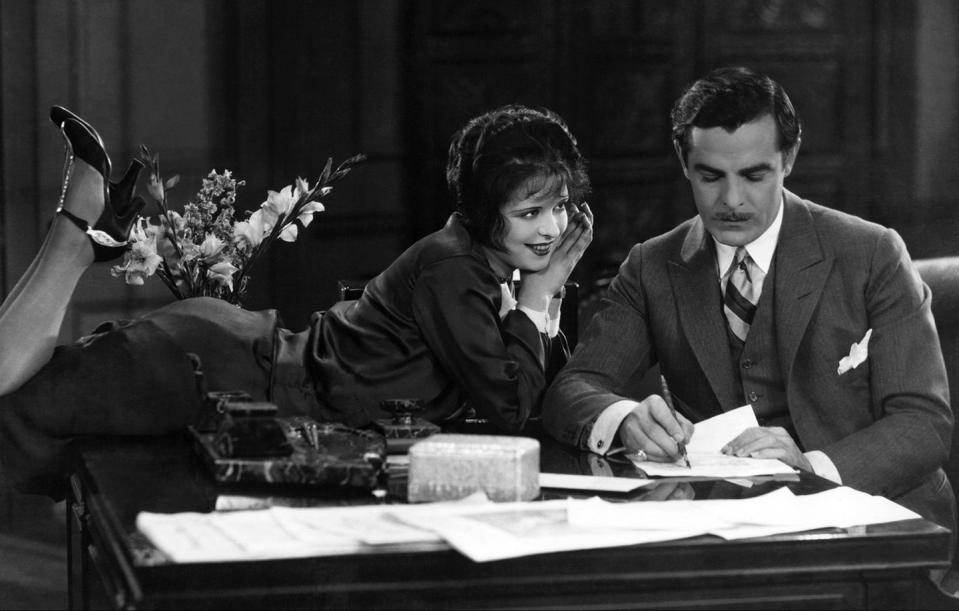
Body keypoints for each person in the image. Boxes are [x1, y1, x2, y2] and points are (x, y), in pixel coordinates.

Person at [0, 104, 593, 497]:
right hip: (214, 369)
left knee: (17, 397)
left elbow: (532, 385)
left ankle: (86, 227)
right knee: (8, 408)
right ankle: (79, 227)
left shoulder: (474, 263)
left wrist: (543, 298)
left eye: (560, 206)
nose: (550, 228)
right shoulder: (457, 270)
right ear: (489, 209)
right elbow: (511, 406)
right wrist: (540, 295)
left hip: (230, 367)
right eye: (529, 211)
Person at [543, 66, 956, 533]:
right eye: (710, 176)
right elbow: (570, 391)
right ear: (684, 164)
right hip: (727, 532)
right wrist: (621, 419)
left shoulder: (873, 253)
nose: (732, 199)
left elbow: (924, 424)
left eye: (755, 175)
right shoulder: (652, 266)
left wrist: (813, 466)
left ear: (789, 159)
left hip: (879, 520)